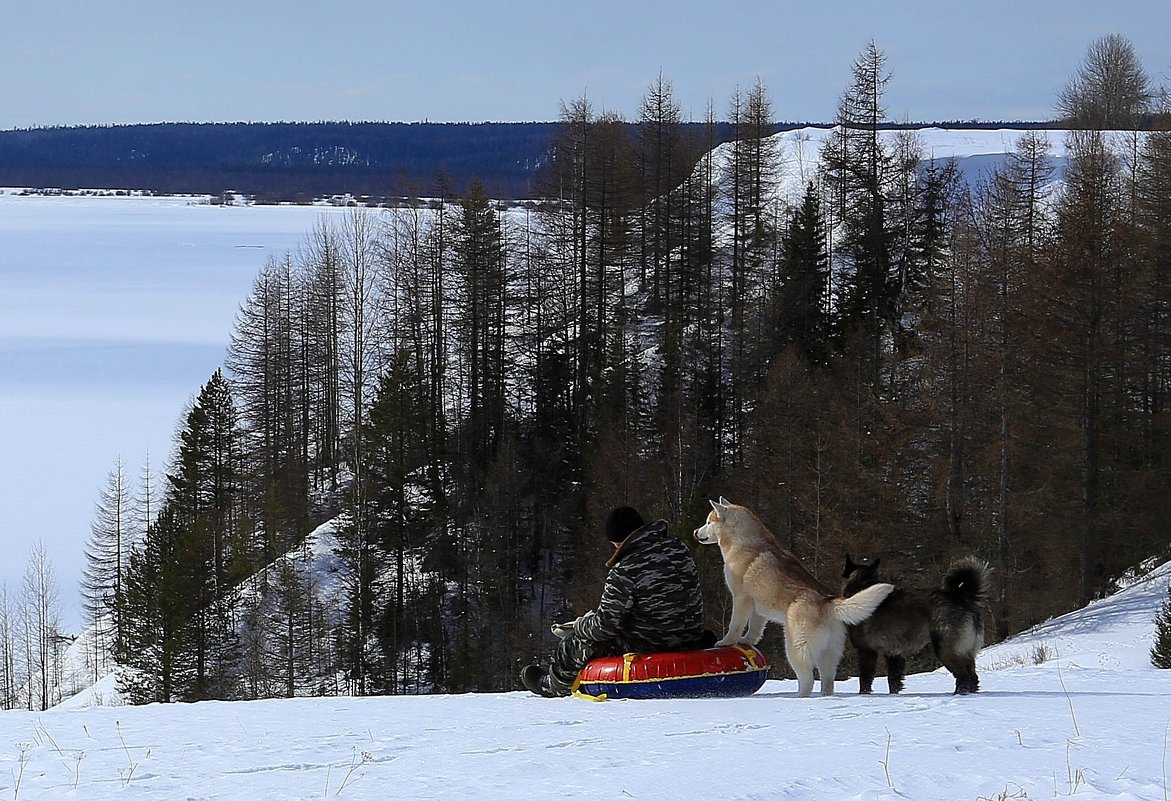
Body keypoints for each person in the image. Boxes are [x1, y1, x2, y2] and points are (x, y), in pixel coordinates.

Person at [520, 505, 708, 697]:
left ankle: (553, 685)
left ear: (619, 541)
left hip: (651, 643)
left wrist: (579, 626)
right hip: (691, 636)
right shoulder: (678, 548)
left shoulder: (625, 569)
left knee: (573, 644)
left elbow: (605, 626)